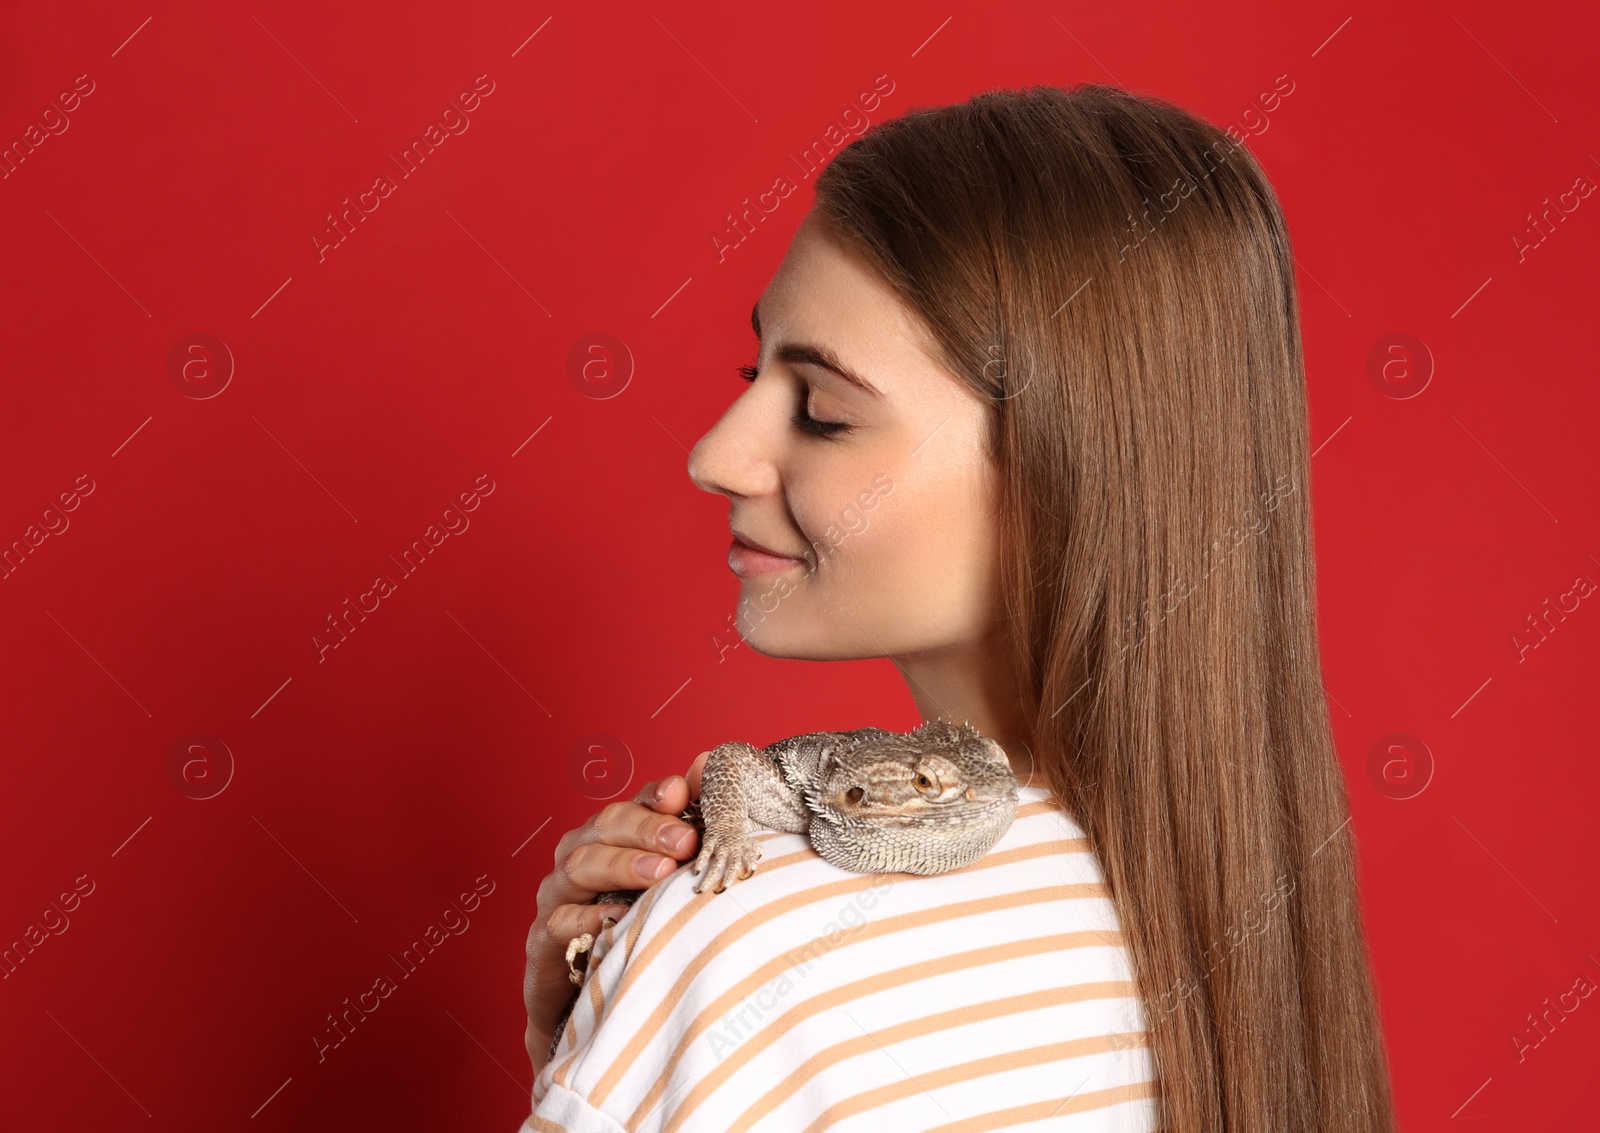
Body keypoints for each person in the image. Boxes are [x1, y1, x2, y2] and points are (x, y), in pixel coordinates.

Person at [520, 82, 1397, 1132]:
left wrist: (646, 1020)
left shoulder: (751, 941)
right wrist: (608, 1048)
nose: (717, 455)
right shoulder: (1253, 922)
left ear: (1066, 474)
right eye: (752, 371)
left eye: (825, 411)